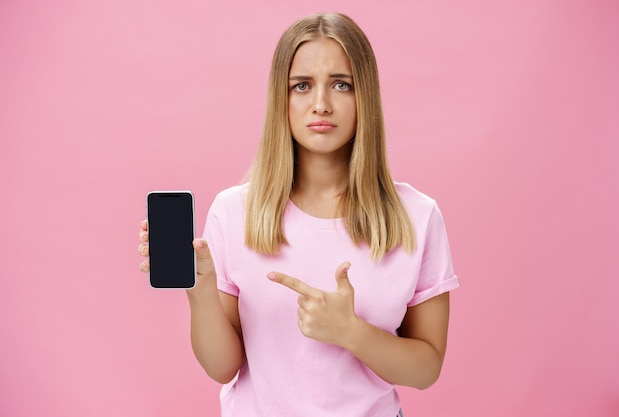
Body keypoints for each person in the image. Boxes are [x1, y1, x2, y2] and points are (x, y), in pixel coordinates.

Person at [138, 12, 458, 417]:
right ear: (281, 98)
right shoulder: (234, 212)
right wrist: (200, 291)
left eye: (341, 85)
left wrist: (351, 333)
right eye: (302, 86)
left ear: (365, 97)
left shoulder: (417, 216)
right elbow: (222, 368)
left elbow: (426, 368)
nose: (320, 104)